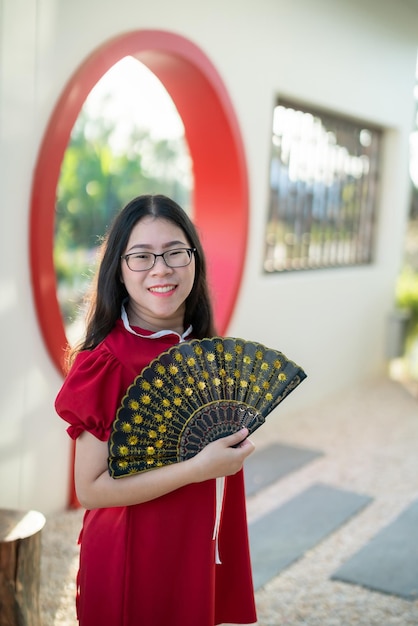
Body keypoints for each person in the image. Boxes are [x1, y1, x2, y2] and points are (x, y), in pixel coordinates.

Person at [55, 194, 258, 626]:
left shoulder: (201, 350)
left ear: (195, 261)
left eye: (174, 253)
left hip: (192, 541)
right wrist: (198, 468)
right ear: (119, 270)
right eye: (141, 256)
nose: (161, 269)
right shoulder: (107, 362)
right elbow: (90, 488)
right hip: (130, 552)